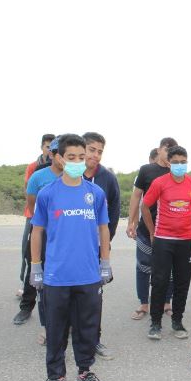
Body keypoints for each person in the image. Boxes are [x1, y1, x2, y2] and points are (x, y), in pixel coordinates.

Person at [30, 134, 111, 381]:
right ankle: (56, 375)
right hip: (56, 276)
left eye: (81, 157)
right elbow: (37, 231)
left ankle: (85, 372)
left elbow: (103, 229)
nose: (77, 162)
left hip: (88, 275)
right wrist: (35, 266)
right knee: (56, 329)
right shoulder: (47, 193)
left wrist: (105, 262)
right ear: (59, 158)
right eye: (71, 157)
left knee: (87, 328)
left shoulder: (95, 193)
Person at [141, 146, 191, 340]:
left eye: (183, 162)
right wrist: (152, 232)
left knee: (182, 282)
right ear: (168, 163)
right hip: (163, 240)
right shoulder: (159, 182)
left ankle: (177, 321)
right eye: (175, 162)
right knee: (160, 281)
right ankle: (155, 323)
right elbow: (144, 206)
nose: (179, 165)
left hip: (185, 241)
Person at [13, 137, 62, 337]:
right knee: (33, 267)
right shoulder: (38, 176)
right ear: (52, 154)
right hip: (41, 230)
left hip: (63, 234)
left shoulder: (75, 176)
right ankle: (26, 307)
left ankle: (59, 318)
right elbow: (31, 205)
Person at [126, 138, 177, 320]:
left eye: (173, 150)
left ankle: (166, 302)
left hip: (170, 230)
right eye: (167, 149)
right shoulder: (146, 170)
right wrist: (131, 221)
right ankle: (143, 304)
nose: (169, 153)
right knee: (143, 266)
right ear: (159, 149)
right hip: (146, 229)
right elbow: (136, 196)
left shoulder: (176, 171)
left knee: (169, 268)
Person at [82, 132, 121, 360]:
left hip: (95, 248)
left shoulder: (107, 178)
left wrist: (105, 244)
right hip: (68, 250)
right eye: (91, 149)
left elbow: (113, 214)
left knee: (94, 297)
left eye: (100, 151)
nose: (95, 155)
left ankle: (94, 339)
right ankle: (62, 335)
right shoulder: (68, 175)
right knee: (65, 295)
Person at [18, 134, 55, 298]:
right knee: (29, 252)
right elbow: (29, 192)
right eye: (47, 147)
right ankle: (25, 290)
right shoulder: (34, 168)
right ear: (42, 147)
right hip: (34, 216)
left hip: (56, 220)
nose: (50, 150)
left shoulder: (67, 170)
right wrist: (35, 215)